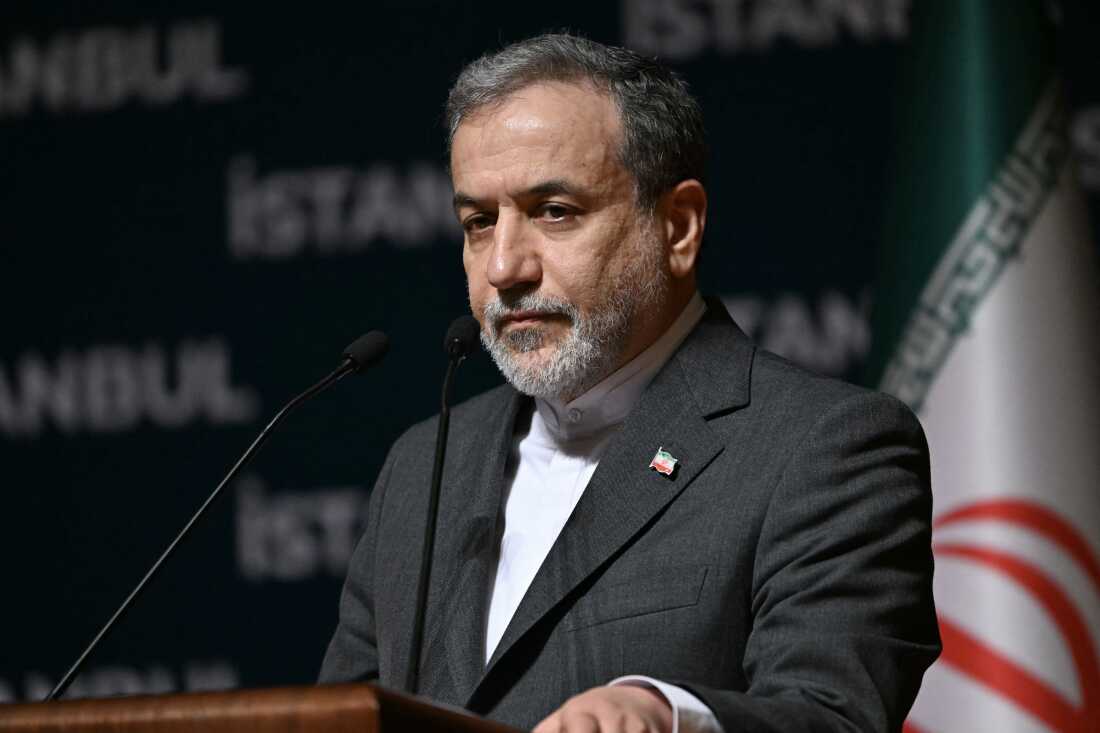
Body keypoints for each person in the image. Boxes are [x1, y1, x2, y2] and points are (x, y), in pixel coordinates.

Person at [320, 33, 939, 733]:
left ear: (677, 227)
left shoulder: (824, 447)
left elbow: (835, 716)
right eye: (479, 222)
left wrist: (666, 712)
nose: (504, 268)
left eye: (555, 211)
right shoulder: (422, 465)